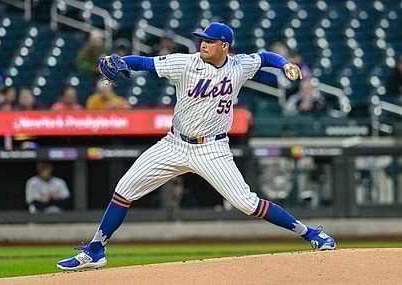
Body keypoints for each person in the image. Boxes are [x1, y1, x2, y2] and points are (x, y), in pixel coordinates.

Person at [57, 22, 336, 271]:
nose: (203, 43)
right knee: (124, 189)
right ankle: (95, 250)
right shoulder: (185, 63)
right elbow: (145, 62)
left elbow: (264, 58)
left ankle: (309, 232)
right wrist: (121, 61)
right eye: (202, 38)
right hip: (174, 143)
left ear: (224, 46)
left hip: (212, 150)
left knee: (247, 203)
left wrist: (285, 63)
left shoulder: (239, 65)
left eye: (210, 40)